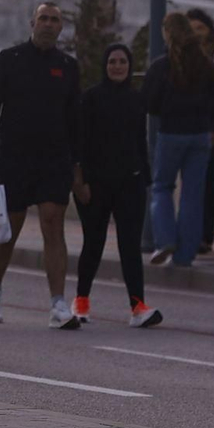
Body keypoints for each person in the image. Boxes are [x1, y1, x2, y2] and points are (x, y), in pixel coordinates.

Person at [0, 2, 83, 330]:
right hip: (14, 159)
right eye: (44, 19)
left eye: (55, 20)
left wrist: (77, 166)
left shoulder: (68, 66)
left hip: (54, 161)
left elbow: (76, 120)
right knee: (9, 231)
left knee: (53, 225)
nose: (49, 25)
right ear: (32, 22)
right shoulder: (10, 60)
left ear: (61, 27)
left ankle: (58, 304)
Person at [74, 43, 162, 327]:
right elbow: (81, 144)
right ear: (105, 65)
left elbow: (140, 141)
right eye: (112, 61)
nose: (117, 66)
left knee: (130, 247)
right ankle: (81, 301)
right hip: (96, 184)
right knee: (94, 243)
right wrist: (81, 182)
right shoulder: (90, 99)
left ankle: (138, 307)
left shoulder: (137, 101)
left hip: (130, 184)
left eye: (122, 62)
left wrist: (146, 179)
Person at [146, 13, 214, 268]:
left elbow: (149, 101)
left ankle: (165, 239)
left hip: (171, 134)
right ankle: (185, 254)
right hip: (200, 136)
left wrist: (168, 107)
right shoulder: (204, 65)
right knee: (192, 195)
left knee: (162, 187)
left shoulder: (162, 66)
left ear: (167, 33)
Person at [185, 8, 214, 254]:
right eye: (192, 29)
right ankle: (188, 234)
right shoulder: (182, 57)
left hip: (210, 130)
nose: (197, 34)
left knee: (208, 185)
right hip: (184, 130)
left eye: (200, 28)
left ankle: (204, 237)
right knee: (190, 187)